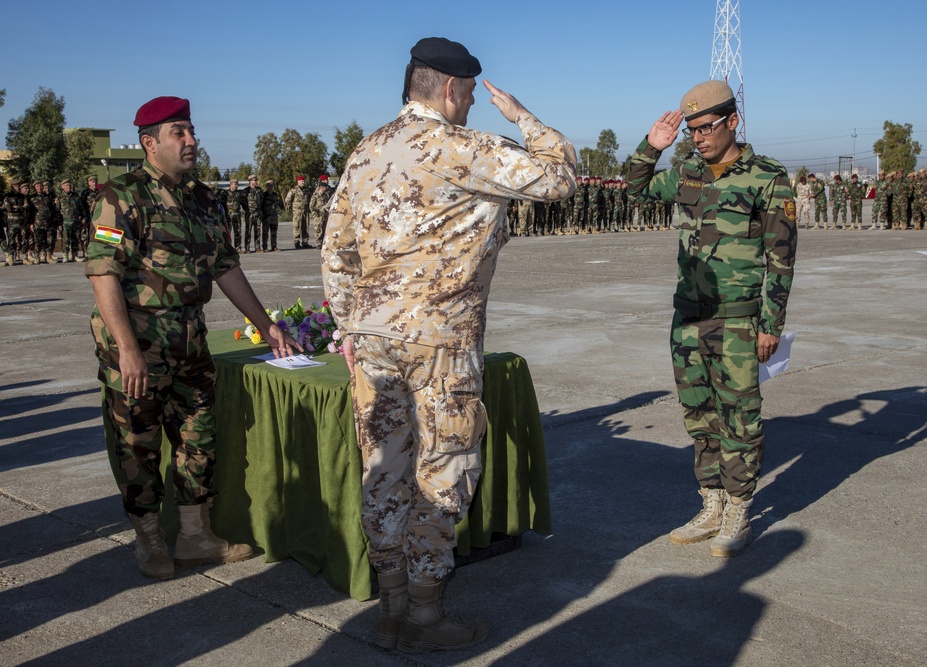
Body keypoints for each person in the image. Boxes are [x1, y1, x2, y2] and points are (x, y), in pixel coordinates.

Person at [321, 37, 576, 653]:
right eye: (468, 94)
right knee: (445, 469)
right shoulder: (464, 148)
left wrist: (352, 327)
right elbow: (561, 177)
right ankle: (428, 616)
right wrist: (522, 118)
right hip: (440, 342)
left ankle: (391, 607)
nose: (470, 104)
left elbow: (336, 251)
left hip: (376, 339)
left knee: (383, 471)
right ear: (452, 89)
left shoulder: (367, 149)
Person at [84, 96, 302, 581]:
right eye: (178, 132)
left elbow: (226, 267)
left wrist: (266, 324)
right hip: (139, 342)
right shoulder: (120, 197)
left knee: (198, 440)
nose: (191, 140)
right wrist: (127, 350)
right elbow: (103, 274)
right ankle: (149, 542)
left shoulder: (204, 198)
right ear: (149, 143)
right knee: (136, 444)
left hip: (189, 340)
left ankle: (195, 537)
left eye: (191, 130)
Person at [628, 80, 797, 558]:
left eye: (707, 128)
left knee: (740, 418)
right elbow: (636, 190)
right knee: (699, 415)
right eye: (692, 131)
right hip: (687, 319)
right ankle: (711, 502)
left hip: (740, 320)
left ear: (733, 121)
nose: (698, 137)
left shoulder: (767, 176)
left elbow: (781, 257)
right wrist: (651, 147)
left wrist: (771, 324)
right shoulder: (687, 172)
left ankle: (740, 508)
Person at [284, 175, 311, 248]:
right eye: (301, 181)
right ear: (298, 181)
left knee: (305, 227)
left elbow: (309, 199)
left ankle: (305, 242)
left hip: (305, 211)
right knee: (297, 227)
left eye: (304, 181)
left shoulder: (307, 190)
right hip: (297, 211)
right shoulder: (294, 190)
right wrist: (291, 208)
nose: (303, 182)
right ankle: (296, 242)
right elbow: (287, 199)